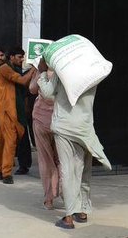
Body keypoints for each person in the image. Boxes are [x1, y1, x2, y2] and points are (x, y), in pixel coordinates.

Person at [35, 56, 111, 229]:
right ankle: (82, 211)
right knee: (83, 170)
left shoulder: (63, 74)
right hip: (84, 128)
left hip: (64, 126)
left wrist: (42, 72)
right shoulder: (92, 76)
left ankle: (68, 217)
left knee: (68, 170)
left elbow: (47, 93)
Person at [0, 48, 35, 184]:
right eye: (19, 57)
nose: (22, 60)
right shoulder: (5, 68)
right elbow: (22, 81)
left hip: (10, 110)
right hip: (7, 111)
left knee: (2, 140)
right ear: (12, 57)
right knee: (10, 141)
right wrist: (35, 68)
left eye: (23, 57)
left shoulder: (14, 69)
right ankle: (7, 173)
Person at [29, 73, 60, 210]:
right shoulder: (65, 70)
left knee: (45, 160)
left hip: (41, 120)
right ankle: (67, 195)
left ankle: (48, 199)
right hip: (61, 121)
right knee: (63, 160)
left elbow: (32, 89)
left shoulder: (41, 72)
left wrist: (38, 71)